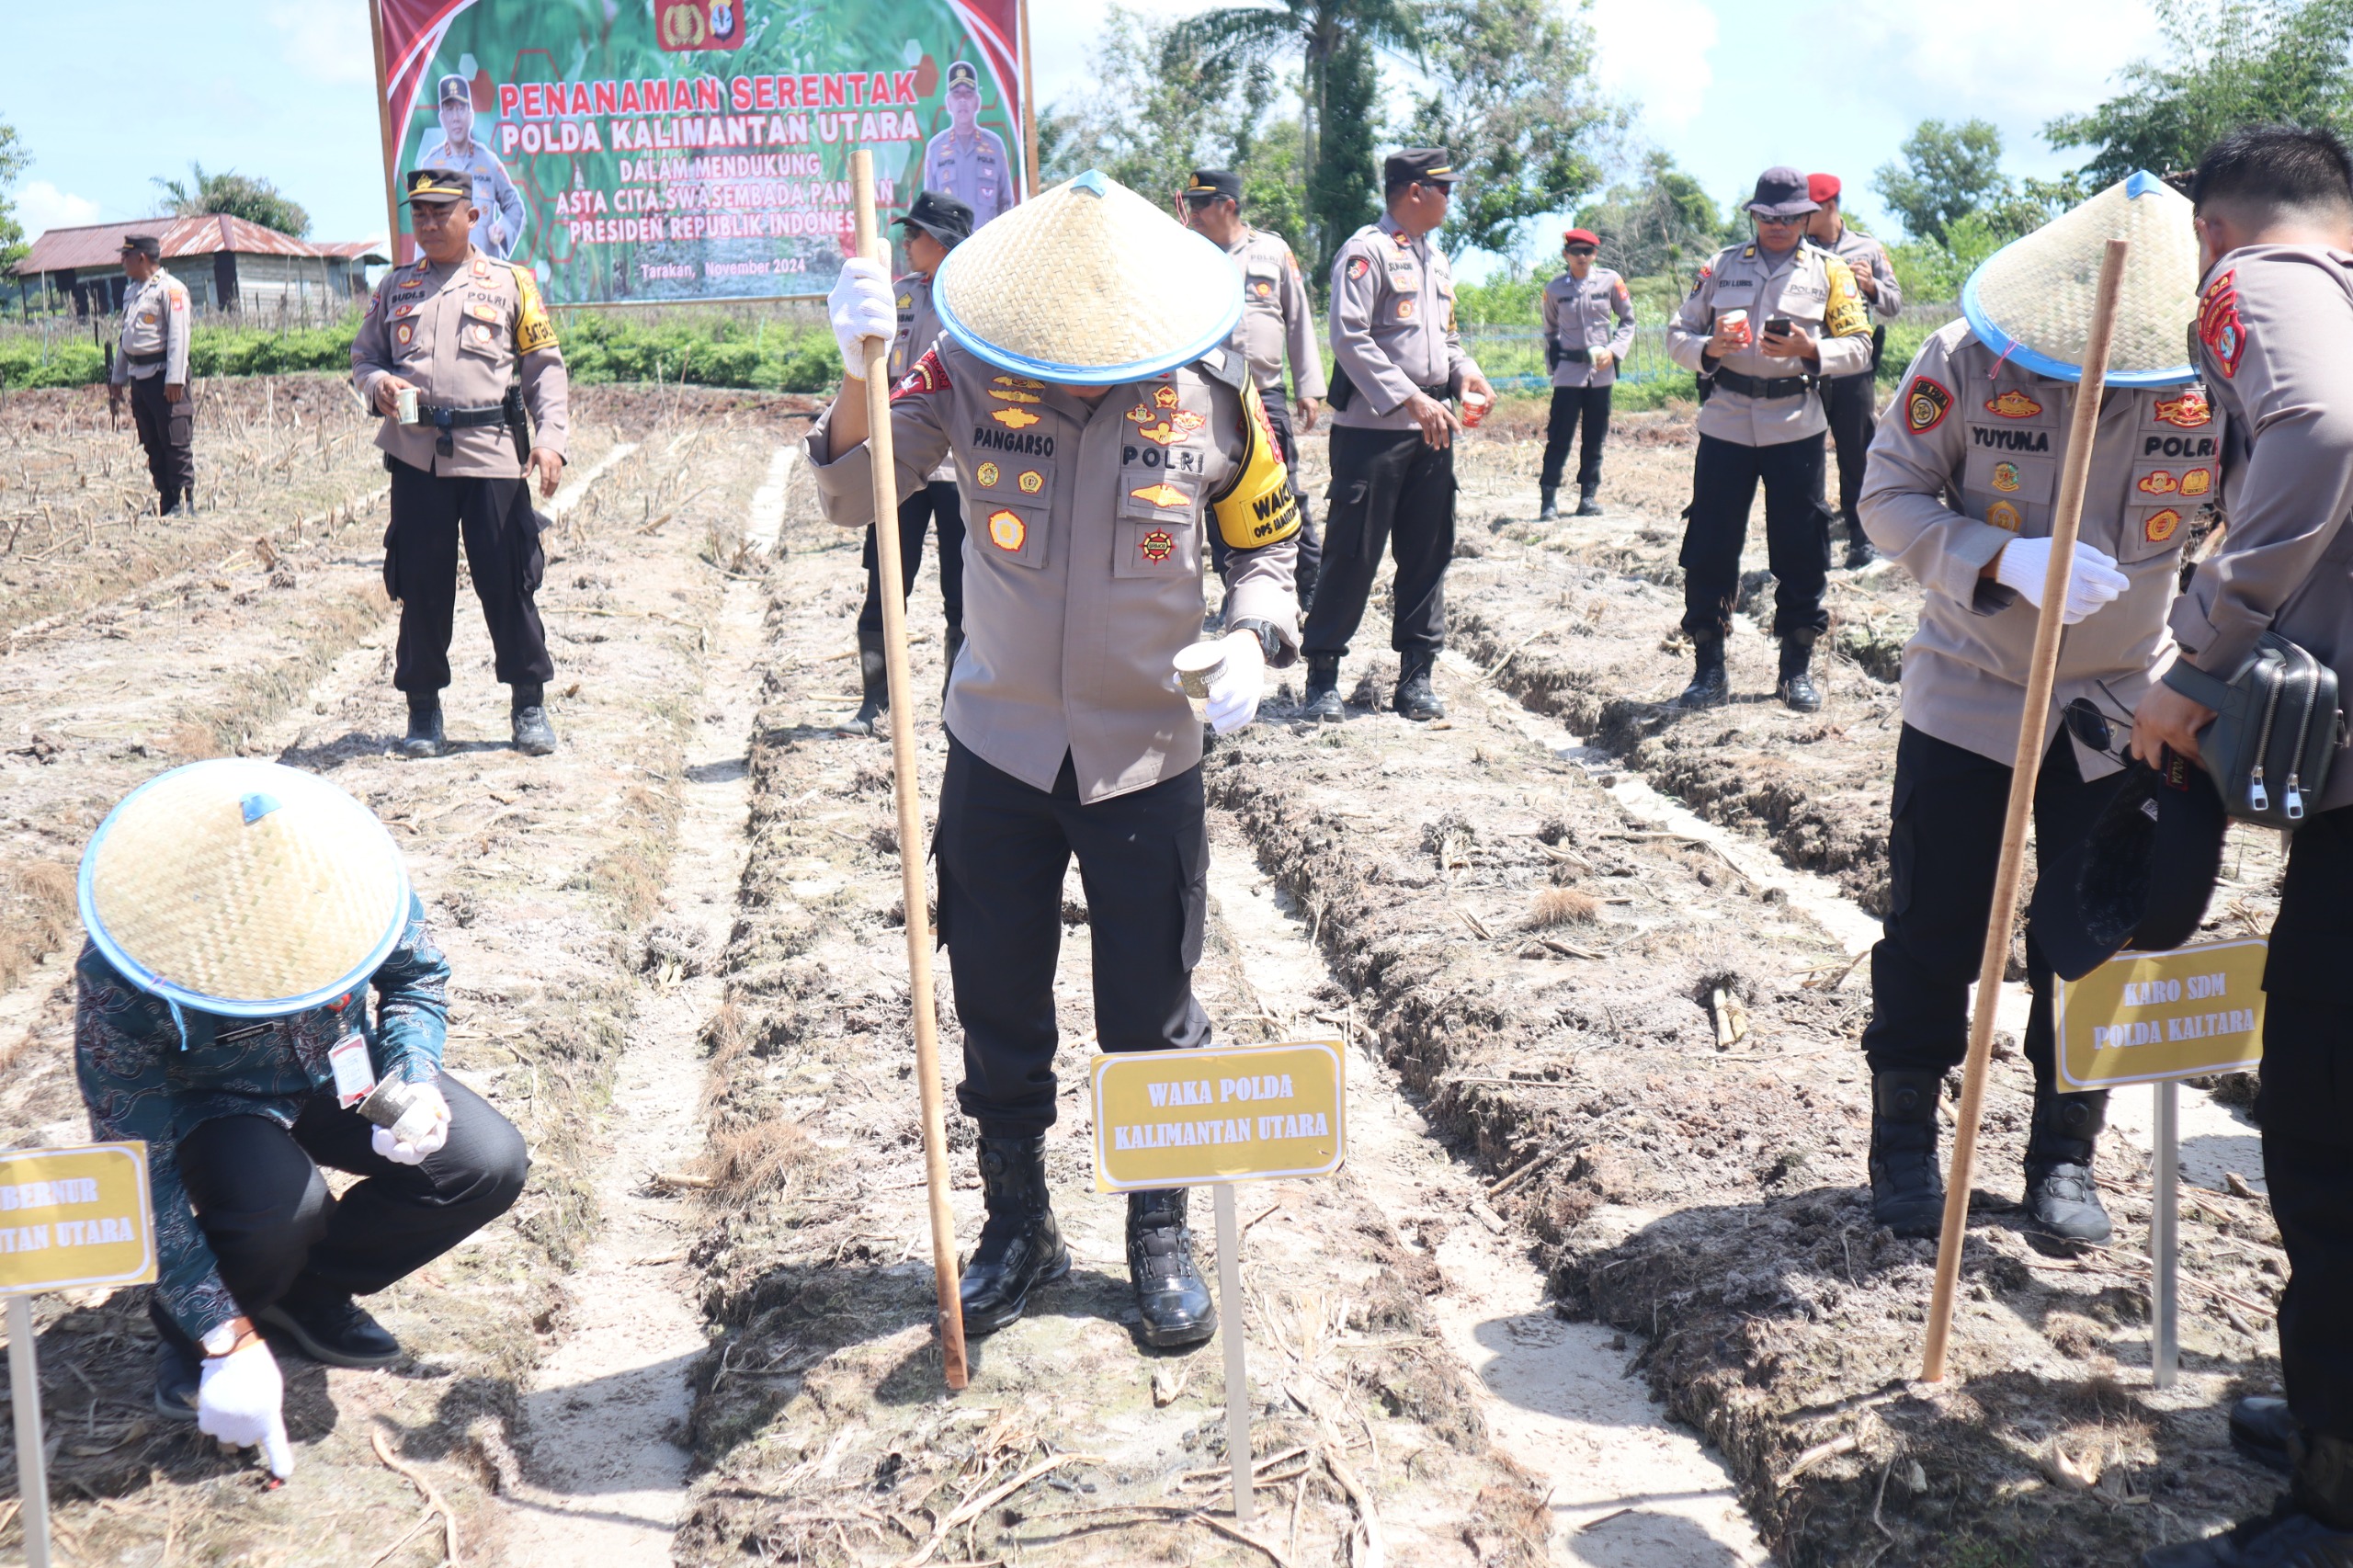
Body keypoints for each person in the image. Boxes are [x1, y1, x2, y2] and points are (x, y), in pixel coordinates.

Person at [813, 169, 1302, 1347]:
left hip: (1147, 750)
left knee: (1152, 1002)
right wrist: (857, 368)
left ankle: (1158, 1232)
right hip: (1002, 744)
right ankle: (1017, 1225)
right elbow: (845, 496)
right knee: (994, 992)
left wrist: (1253, 635)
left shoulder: (1215, 392)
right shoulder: (967, 368)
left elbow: (1272, 549)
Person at [1858, 171, 2215, 1247]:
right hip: (1970, 688)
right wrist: (1997, 553)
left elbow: (2256, 530)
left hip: (2121, 706)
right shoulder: (1963, 364)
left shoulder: (2208, 387)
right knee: (1935, 920)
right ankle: (1906, 1141)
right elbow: (1885, 494)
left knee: (2094, 932)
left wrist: (2200, 652)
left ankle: (2065, 1152)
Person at [74, 760, 527, 1467]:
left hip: (340, 1067)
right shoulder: (126, 976)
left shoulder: (357, 882)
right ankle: (210, 1324)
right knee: (282, 1211)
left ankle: (308, 1292)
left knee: (483, 1163)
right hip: (216, 1100)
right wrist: (219, 1333)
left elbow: (415, 977)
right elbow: (136, 1168)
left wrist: (415, 1078)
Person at [2131, 124, 2353, 1568]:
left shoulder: (2262, 283)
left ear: (2215, 228)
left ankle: (2331, 1510)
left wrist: (2199, 655)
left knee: (2327, 1130)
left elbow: (2321, 434)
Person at [352, 167, 570, 760]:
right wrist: (375, 386)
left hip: (492, 455)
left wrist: (549, 439)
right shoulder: (396, 287)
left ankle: (528, 705)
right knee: (420, 585)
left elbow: (544, 368)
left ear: (472, 216)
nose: (426, 222)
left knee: (508, 581)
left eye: (439, 211)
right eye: (418, 213)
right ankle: (423, 712)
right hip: (415, 456)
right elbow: (366, 357)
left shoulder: (510, 284)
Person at [1665, 166, 1873, 712]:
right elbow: (1677, 333)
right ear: (1753, 216)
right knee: (1710, 546)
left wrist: (1809, 350)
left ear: (1807, 216)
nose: (1776, 227)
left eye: (1787, 218)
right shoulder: (1721, 266)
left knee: (1802, 545)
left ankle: (1795, 668)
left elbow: (1860, 347)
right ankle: (1708, 668)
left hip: (1795, 423)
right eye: (1765, 217)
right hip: (1727, 419)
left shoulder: (1831, 273)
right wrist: (1710, 347)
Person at [1303, 148, 1495, 725]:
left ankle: (1416, 679)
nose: (1450, 198)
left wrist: (1467, 375)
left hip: (1434, 429)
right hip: (1374, 431)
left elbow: (1447, 342)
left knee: (1427, 550)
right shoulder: (1367, 253)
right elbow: (1349, 338)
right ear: (1415, 191)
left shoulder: (1436, 261)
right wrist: (1411, 399)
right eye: (1445, 188)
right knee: (1353, 552)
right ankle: (1323, 677)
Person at [842, 189, 976, 735]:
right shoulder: (897, 294)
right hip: (897, 464)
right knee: (885, 583)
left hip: (959, 472)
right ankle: (876, 704)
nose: (906, 241)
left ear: (942, 241)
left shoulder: (977, 298)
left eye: (915, 233)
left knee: (964, 594)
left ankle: (958, 707)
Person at [1179, 168, 1327, 612]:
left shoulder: (1273, 250)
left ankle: (1309, 588)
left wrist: (1309, 388)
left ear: (1229, 205)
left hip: (1265, 394)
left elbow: (1298, 319)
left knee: (1284, 492)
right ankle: (1238, 595)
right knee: (1216, 498)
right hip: (1209, 396)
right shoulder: (1189, 254)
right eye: (1188, 204)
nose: (1193, 213)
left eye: (1200, 204)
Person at [1805, 173, 1904, 567]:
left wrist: (1873, 288)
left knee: (1857, 454)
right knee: (1805, 455)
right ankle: (1813, 542)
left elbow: (1894, 303)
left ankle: (1863, 537)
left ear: (1828, 207)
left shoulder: (1867, 247)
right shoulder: (1796, 249)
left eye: (1805, 211)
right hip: (1807, 364)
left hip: (1853, 366)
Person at [1538, 227, 1636, 520]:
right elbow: (1550, 331)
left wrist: (1615, 351)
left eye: (1588, 251)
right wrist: (1553, 370)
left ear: (1595, 254)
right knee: (1559, 436)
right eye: (1576, 251)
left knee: (1595, 437)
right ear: (1566, 254)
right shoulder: (1555, 289)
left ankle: (1588, 497)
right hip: (1569, 372)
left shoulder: (1610, 281)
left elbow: (1628, 320)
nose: (1582, 257)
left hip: (1601, 372)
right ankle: (1549, 500)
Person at [107, 235, 195, 517]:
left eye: (126, 256)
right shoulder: (132, 292)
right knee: (152, 441)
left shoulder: (171, 289)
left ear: (141, 258)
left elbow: (180, 336)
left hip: (163, 377)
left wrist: (175, 379)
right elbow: (126, 339)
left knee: (174, 440)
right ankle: (166, 500)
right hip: (140, 376)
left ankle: (184, 503)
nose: (122, 261)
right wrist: (118, 377)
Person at [414, 74, 527, 259]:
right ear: (442, 118)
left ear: (470, 115)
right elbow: (423, 226)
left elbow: (514, 205)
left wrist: (503, 228)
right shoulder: (430, 166)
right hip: (448, 277)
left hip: (488, 277)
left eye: (461, 109)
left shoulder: (489, 162)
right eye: (450, 110)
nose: (456, 118)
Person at [922, 62, 1013, 227]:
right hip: (952, 247)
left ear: (977, 102)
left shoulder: (994, 146)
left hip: (989, 244)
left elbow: (1005, 200)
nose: (963, 100)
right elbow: (929, 206)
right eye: (957, 94)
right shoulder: (936, 148)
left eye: (968, 93)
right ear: (949, 103)